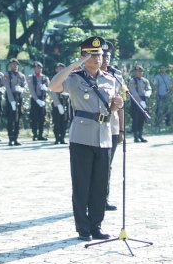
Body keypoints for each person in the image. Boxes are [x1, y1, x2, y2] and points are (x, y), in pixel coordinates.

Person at [49, 36, 123, 241]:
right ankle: (83, 228)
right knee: (82, 184)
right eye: (93, 55)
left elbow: (110, 108)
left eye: (100, 55)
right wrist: (76, 63)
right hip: (81, 137)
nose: (98, 58)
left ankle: (96, 225)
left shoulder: (110, 79)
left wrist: (117, 106)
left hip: (105, 136)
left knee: (100, 184)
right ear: (84, 56)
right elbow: (53, 85)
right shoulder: (74, 78)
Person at [100, 41, 123, 211]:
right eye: (103, 55)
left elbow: (121, 106)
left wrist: (122, 129)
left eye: (108, 56)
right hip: (96, 125)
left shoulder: (117, 77)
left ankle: (104, 198)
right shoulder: (90, 76)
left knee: (108, 164)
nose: (106, 59)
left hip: (113, 126)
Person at [3, 58, 27, 146]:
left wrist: (22, 89)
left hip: (19, 98)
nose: (14, 66)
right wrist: (11, 101)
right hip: (11, 98)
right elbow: (7, 88)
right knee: (10, 119)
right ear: (10, 65)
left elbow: (25, 86)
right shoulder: (7, 74)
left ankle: (16, 138)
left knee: (17, 119)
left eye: (16, 64)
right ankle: (10, 139)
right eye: (12, 64)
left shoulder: (21, 75)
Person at [128, 65, 152, 142]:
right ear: (135, 72)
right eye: (138, 71)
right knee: (135, 118)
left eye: (141, 71)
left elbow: (149, 89)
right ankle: (135, 136)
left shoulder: (145, 81)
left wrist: (147, 94)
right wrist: (140, 101)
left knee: (142, 117)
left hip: (143, 99)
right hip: (135, 101)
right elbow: (133, 92)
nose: (139, 73)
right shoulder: (132, 81)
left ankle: (140, 135)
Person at [28, 61, 50, 141]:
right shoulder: (31, 77)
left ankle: (41, 134)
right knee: (34, 118)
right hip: (35, 100)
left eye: (40, 68)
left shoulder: (45, 77)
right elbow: (31, 90)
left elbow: (50, 87)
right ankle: (35, 135)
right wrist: (37, 100)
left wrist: (46, 88)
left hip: (43, 99)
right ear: (34, 69)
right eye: (36, 68)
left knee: (42, 118)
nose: (38, 69)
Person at [50, 63, 70, 144]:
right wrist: (58, 104)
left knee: (64, 121)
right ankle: (57, 138)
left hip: (65, 101)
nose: (60, 70)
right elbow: (52, 91)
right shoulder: (54, 78)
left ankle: (62, 138)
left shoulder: (68, 78)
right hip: (57, 102)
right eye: (59, 68)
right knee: (57, 121)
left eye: (62, 68)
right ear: (56, 70)